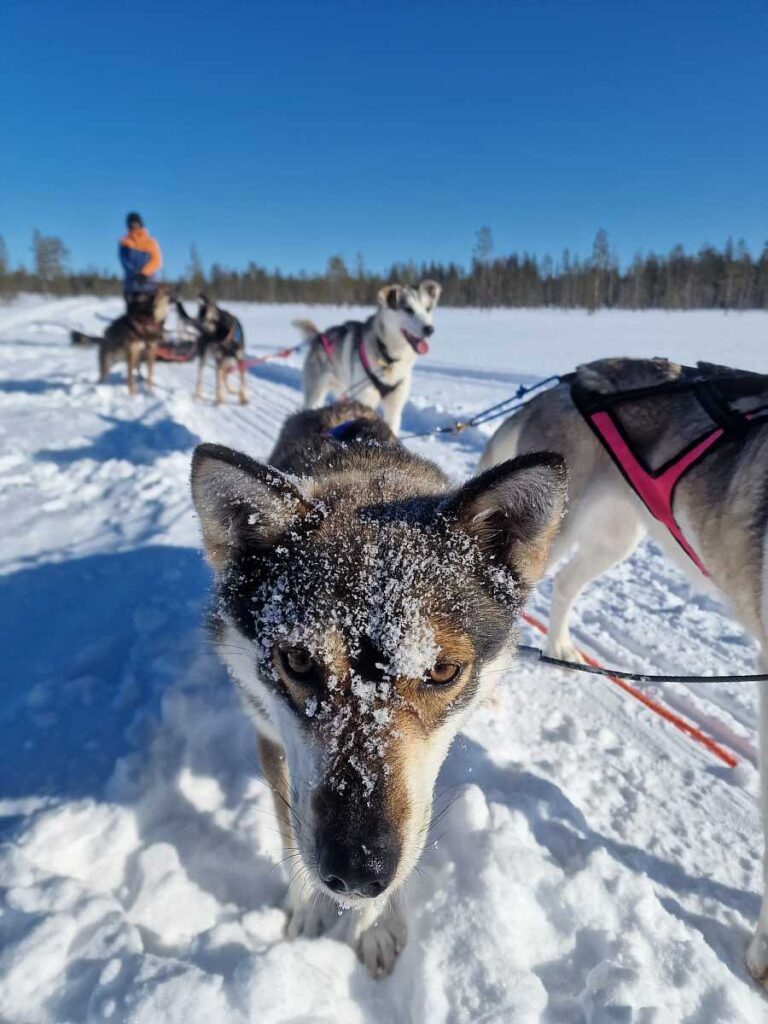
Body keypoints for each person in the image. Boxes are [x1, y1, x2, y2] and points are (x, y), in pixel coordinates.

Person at [119, 212, 163, 305]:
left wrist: (144, 273)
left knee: (149, 315)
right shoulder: (124, 242)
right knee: (132, 316)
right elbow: (124, 261)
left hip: (148, 284)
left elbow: (156, 260)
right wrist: (135, 273)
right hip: (130, 285)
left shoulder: (151, 242)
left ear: (141, 224)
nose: (134, 226)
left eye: (136, 224)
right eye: (131, 224)